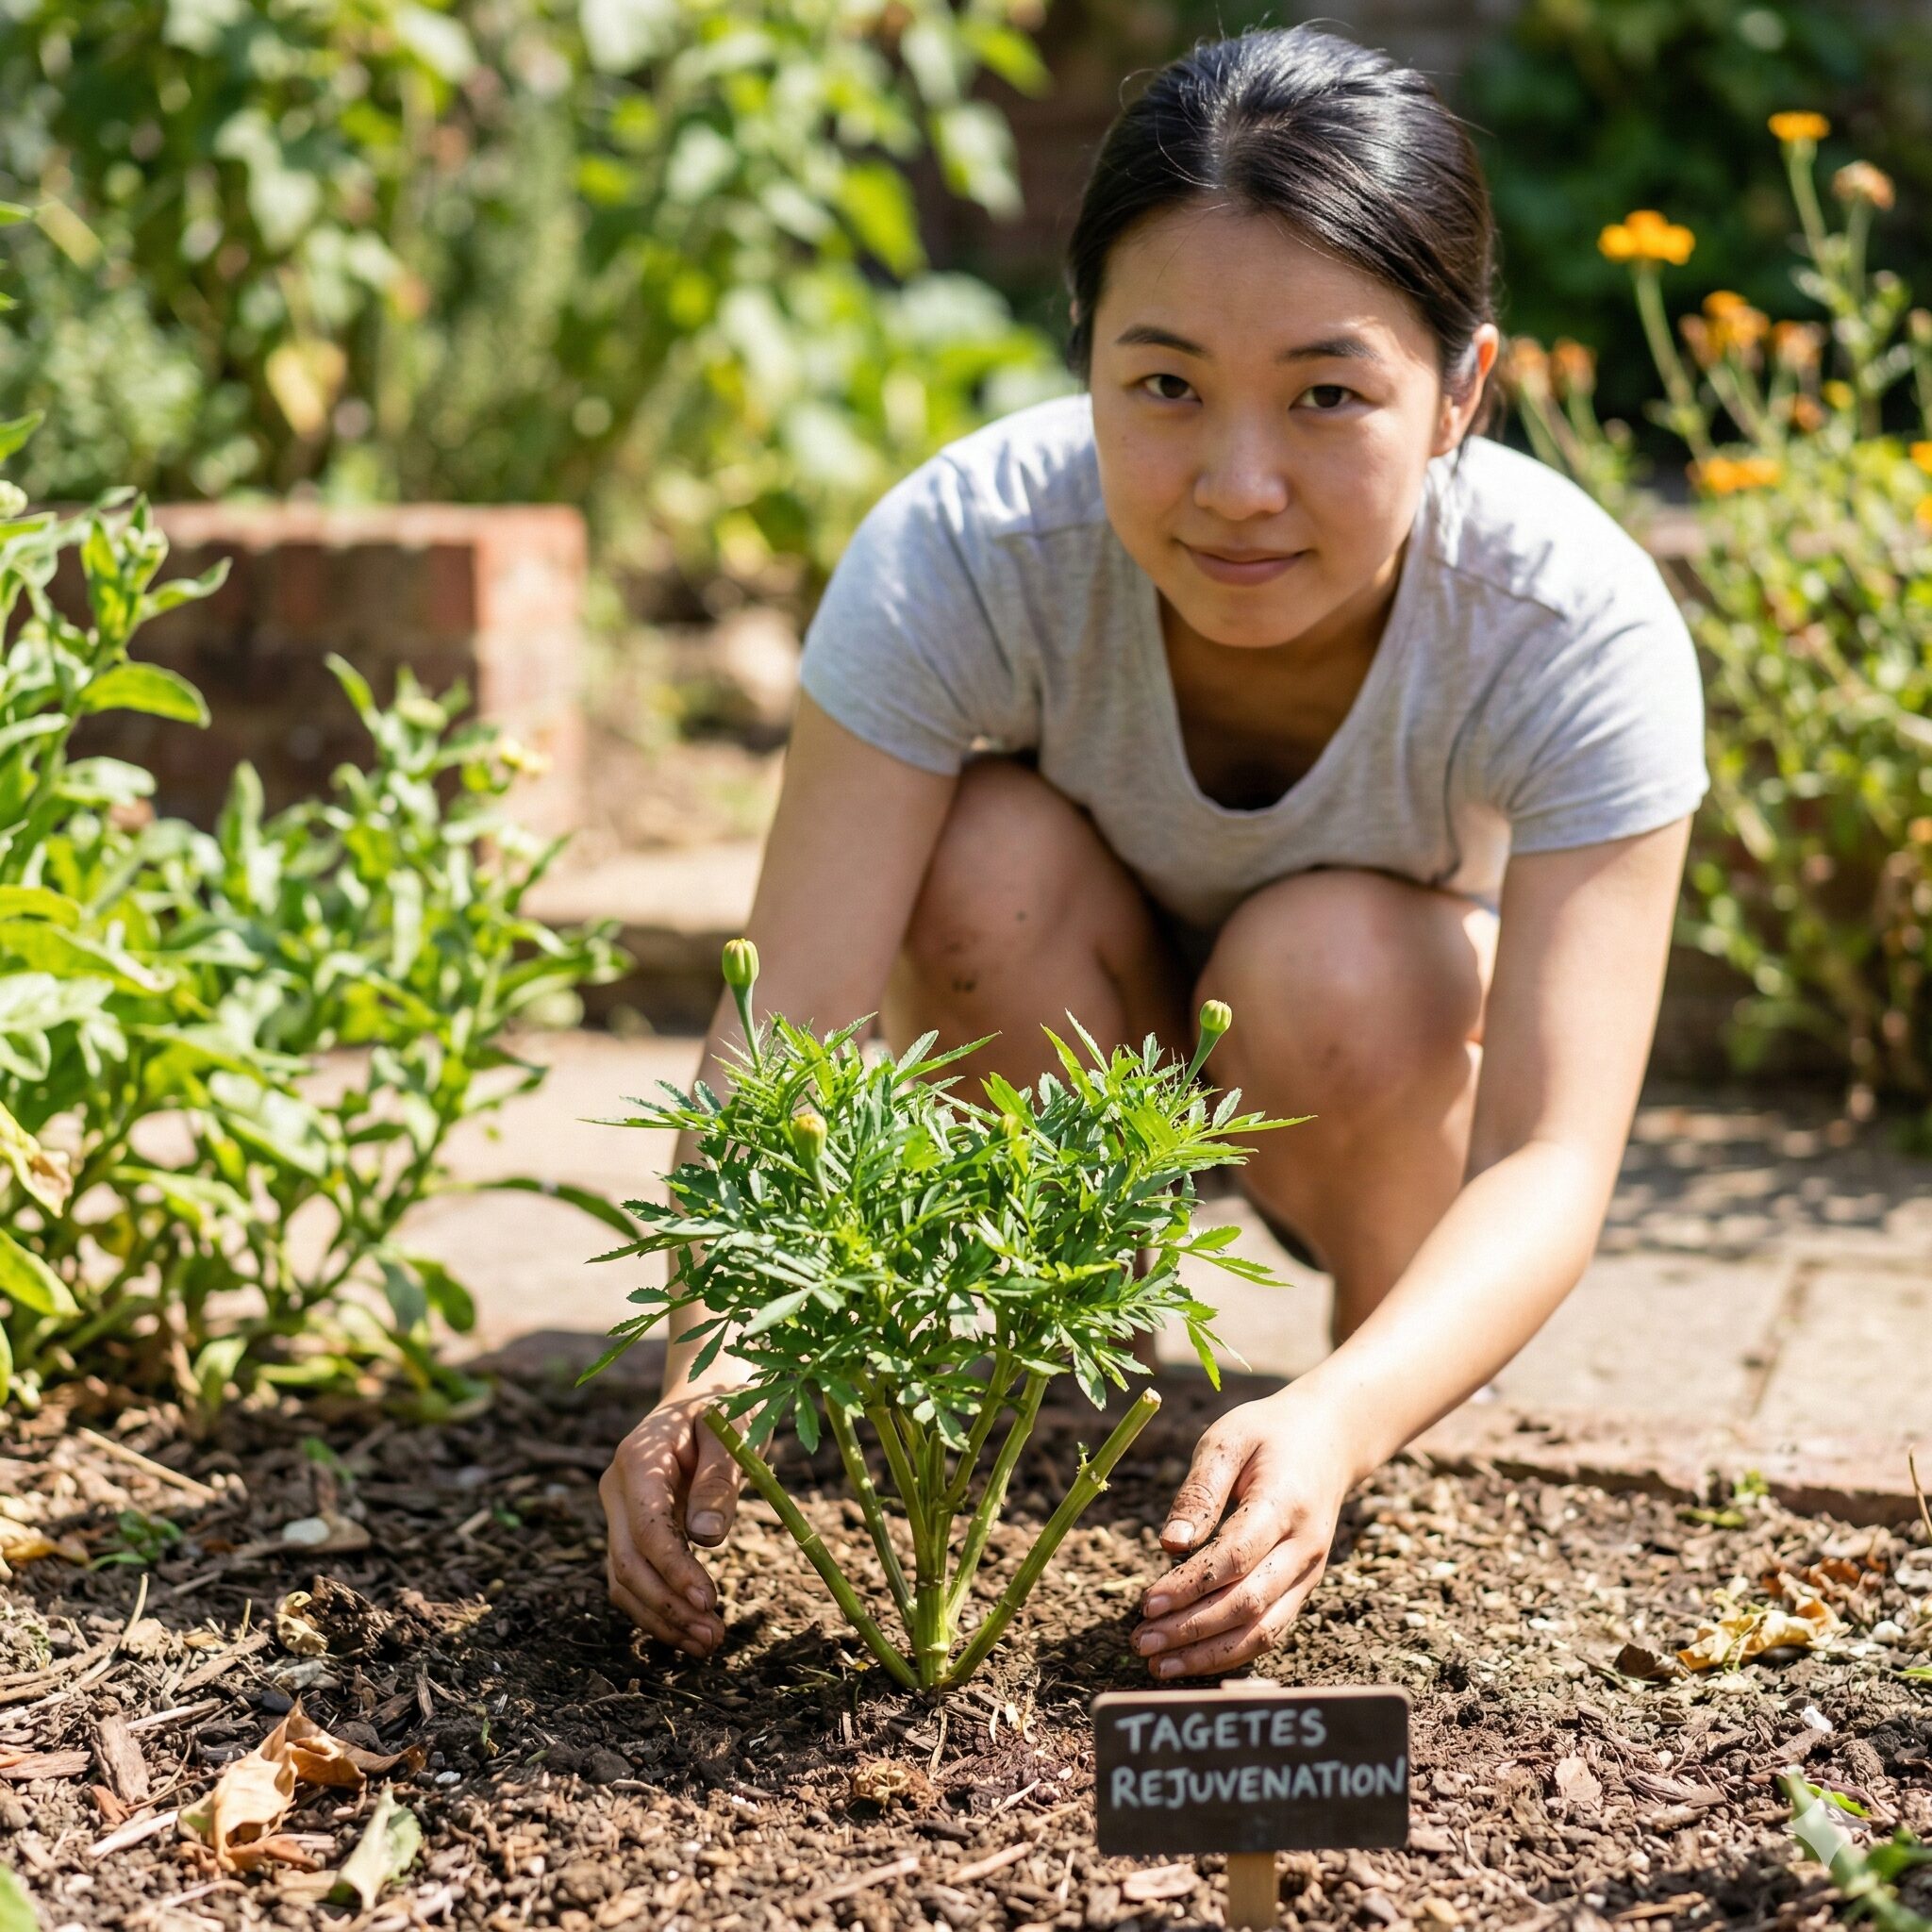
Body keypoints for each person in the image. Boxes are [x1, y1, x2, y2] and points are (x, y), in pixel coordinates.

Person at [598, 23, 1706, 1681]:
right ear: (1087, 357)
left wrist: (1335, 1424)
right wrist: (711, 1368)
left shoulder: (1569, 624)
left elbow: (1554, 1156)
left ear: (1464, 392)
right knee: (976, 855)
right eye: (1166, 385)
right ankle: (1074, 1372)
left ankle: (1364, 1407)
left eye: (1329, 395)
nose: (1237, 485)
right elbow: (786, 1032)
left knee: (1346, 959)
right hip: (1065, 1027)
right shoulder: (965, 554)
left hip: (1365, 1068)